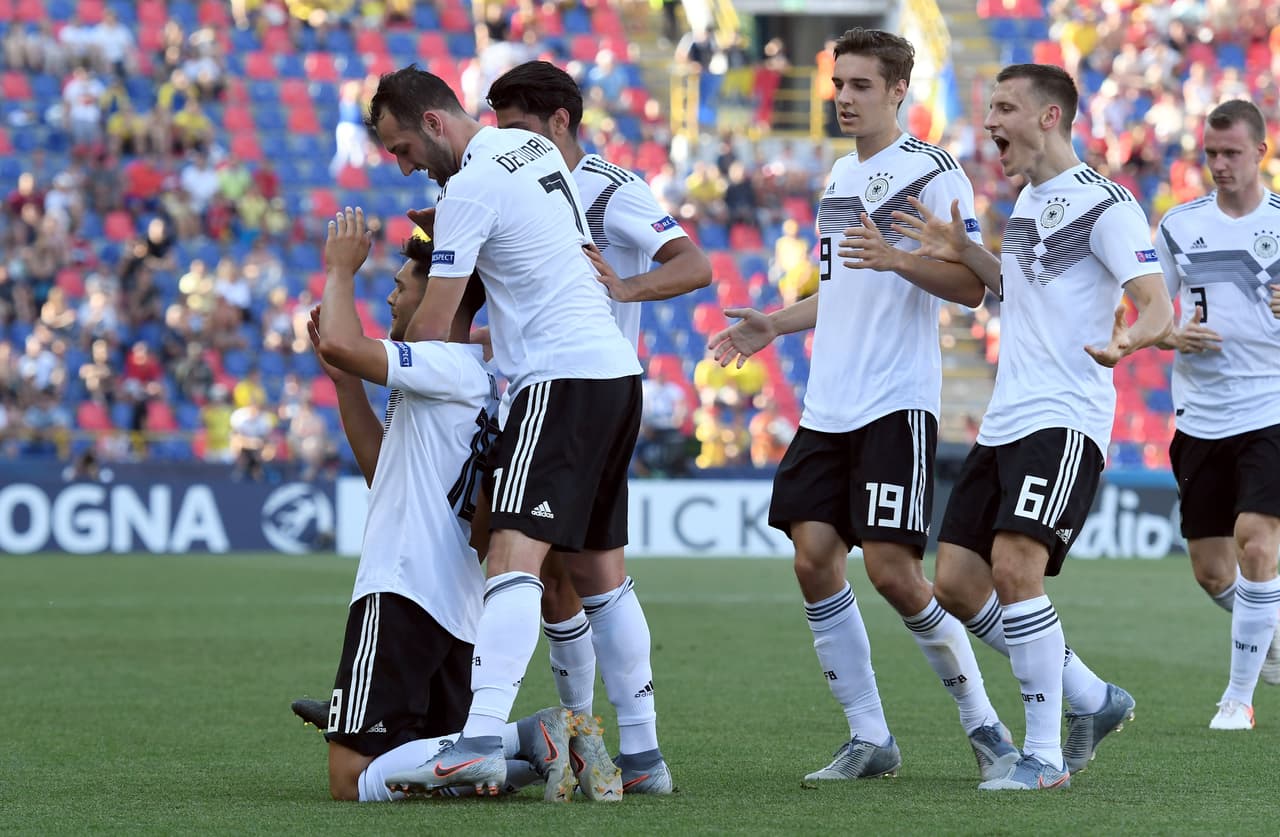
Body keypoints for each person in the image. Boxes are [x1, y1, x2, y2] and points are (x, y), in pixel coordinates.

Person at [707, 28, 1014, 786]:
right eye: (838, 84)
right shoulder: (839, 178)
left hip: (893, 401)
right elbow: (841, 292)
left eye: (860, 85)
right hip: (827, 403)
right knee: (813, 558)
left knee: (894, 572)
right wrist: (773, 324)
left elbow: (973, 288)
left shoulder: (934, 171)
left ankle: (987, 726)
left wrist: (901, 258)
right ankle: (869, 734)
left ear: (898, 91)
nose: (843, 97)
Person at [362, 66, 644, 798]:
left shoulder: (468, 190)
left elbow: (432, 326)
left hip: (559, 378)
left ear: (431, 123)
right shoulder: (537, 152)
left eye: (400, 149)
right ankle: (644, 758)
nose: (403, 167)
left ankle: (481, 737)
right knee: (600, 577)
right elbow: (539, 272)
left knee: (513, 560)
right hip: (615, 372)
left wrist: (394, 358)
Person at [891, 63, 1174, 790]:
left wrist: (1129, 341)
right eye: (989, 108)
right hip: (1006, 417)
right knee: (955, 579)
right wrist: (964, 252)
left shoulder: (1107, 206)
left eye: (1004, 108)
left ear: (1050, 117)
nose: (991, 123)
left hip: (1066, 414)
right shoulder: (1024, 204)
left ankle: (1043, 757)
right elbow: (1014, 291)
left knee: (1017, 570)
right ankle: (1091, 697)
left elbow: (1155, 303)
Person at [485, 59, 713, 797]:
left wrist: (625, 285)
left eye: (519, 127)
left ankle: (613, 746)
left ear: (560, 123)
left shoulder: (608, 188)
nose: (507, 142)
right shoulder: (518, 187)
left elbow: (694, 263)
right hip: (550, 389)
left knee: (574, 572)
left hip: (584, 390)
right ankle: (602, 747)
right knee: (565, 574)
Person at [304, 206, 568, 802]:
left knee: (351, 779)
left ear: (439, 298)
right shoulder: (463, 376)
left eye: (402, 287)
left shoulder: (441, 365)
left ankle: (527, 740)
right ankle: (528, 750)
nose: (393, 298)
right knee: (441, 760)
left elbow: (346, 342)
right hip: (455, 608)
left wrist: (340, 270)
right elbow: (385, 471)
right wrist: (347, 385)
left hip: (402, 589)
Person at [1152, 99, 1280, 730]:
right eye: (1211, 153)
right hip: (1201, 414)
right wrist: (1174, 334)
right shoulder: (1179, 225)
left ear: (1260, 152)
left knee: (1257, 540)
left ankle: (1239, 697)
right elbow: (1145, 314)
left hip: (1271, 405)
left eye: (1231, 153)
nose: (1220, 165)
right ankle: (1272, 639)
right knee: (1211, 570)